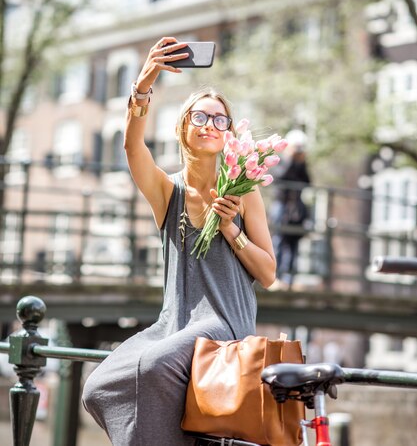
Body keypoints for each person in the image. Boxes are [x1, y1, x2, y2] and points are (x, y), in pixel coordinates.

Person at [82, 36, 276, 446]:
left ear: (228, 135)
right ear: (183, 127)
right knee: (97, 387)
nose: (210, 125)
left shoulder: (245, 191)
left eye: (221, 120)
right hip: (174, 325)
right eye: (201, 116)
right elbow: (132, 147)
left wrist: (230, 230)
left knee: (152, 367)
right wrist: (144, 81)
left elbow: (269, 273)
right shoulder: (167, 193)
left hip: (224, 323)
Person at [271, 130, 311, 289]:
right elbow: (280, 177)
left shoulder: (301, 163)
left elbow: (307, 182)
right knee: (278, 240)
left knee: (293, 242)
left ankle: (289, 278)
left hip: (296, 207)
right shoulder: (280, 160)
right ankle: (274, 277)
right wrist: (289, 159)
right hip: (281, 205)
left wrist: (302, 163)